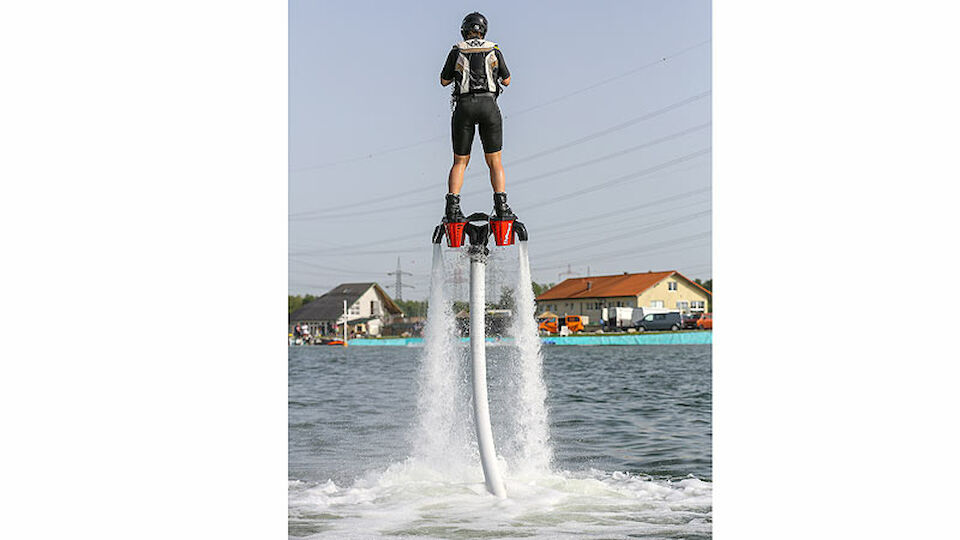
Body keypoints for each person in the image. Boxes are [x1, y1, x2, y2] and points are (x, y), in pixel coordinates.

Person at [439, 12, 516, 223]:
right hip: (489, 106)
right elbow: (507, 80)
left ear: (464, 31)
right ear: (484, 31)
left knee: (460, 162)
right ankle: (501, 207)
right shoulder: (494, 48)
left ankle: (452, 208)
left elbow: (444, 81)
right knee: (495, 161)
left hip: (464, 106)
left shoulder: (457, 49)